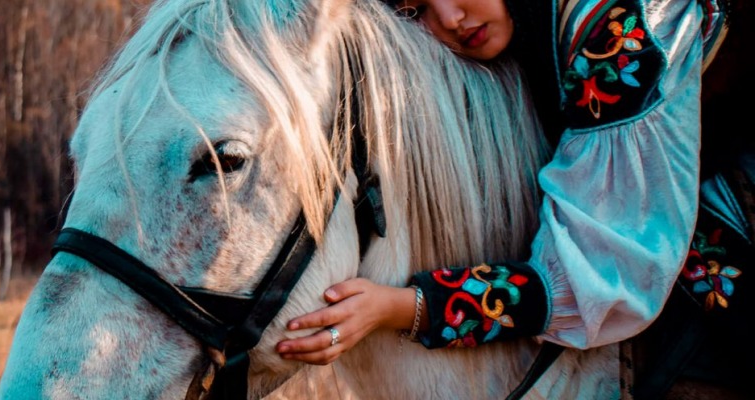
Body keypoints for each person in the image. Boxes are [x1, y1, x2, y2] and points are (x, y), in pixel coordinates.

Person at [276, 0, 744, 395]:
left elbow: (604, 282)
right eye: (413, 9)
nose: (450, 18)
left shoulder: (612, 32)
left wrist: (403, 307)